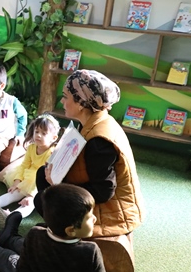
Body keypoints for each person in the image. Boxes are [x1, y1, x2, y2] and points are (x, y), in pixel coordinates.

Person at [35, 70, 143, 238]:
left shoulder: (99, 142)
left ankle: (63, 231)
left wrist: (60, 185)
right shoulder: (94, 120)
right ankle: (57, 224)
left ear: (81, 103)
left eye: (65, 96)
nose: (62, 101)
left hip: (113, 212)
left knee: (43, 198)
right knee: (43, 175)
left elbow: (104, 191)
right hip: (99, 195)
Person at [0, 114, 60, 218]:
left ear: (53, 138)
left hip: (40, 184)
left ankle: (11, 216)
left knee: (30, 203)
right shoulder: (32, 147)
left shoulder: (52, 152)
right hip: (28, 176)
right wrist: (17, 181)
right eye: (37, 132)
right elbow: (24, 165)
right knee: (13, 193)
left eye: (44, 133)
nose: (38, 135)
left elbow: (44, 177)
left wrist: (31, 195)